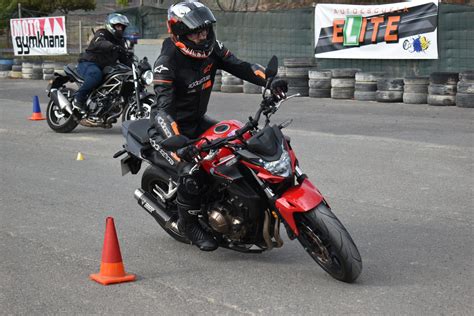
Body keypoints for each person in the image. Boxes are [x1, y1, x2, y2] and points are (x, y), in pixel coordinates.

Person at [150, 1, 288, 251]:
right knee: (191, 172)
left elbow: (241, 66)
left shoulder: (212, 48)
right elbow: (162, 110)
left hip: (197, 120)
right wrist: (179, 145)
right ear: (180, 33)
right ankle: (188, 224)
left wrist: (270, 80)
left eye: (205, 30)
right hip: (171, 130)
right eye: (196, 32)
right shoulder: (166, 62)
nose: (203, 36)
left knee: (240, 145)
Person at [73, 13, 131, 114]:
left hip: (104, 68)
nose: (120, 29)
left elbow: (124, 61)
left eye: (122, 27)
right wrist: (111, 46)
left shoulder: (120, 42)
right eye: (118, 26)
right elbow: (100, 42)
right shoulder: (102, 33)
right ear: (111, 26)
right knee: (96, 75)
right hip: (88, 63)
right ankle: (78, 99)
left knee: (122, 78)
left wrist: (135, 69)